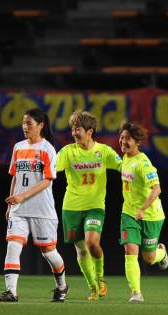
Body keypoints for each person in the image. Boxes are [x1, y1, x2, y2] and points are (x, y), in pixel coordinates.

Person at [0, 109, 67, 302]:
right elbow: (15, 176)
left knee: (49, 253)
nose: (25, 127)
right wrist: (12, 203)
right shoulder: (18, 147)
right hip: (19, 210)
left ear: (41, 125)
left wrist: (23, 196)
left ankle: (62, 285)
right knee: (13, 245)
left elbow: (47, 180)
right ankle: (11, 292)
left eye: (29, 123)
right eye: (23, 123)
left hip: (42, 210)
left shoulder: (47, 149)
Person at [56, 111, 122, 300]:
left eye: (78, 129)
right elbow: (51, 168)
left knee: (92, 243)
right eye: (72, 129)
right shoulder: (68, 152)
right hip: (71, 207)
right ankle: (92, 287)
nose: (74, 133)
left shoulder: (104, 151)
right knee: (81, 250)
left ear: (90, 131)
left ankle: (101, 279)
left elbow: (123, 167)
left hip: (95, 206)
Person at [118, 122, 168, 303]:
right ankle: (136, 293)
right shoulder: (125, 158)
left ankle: (161, 252)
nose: (123, 141)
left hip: (150, 215)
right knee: (130, 250)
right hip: (129, 213)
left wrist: (143, 209)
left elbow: (157, 189)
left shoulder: (143, 163)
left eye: (128, 139)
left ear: (137, 141)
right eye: (122, 138)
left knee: (149, 258)